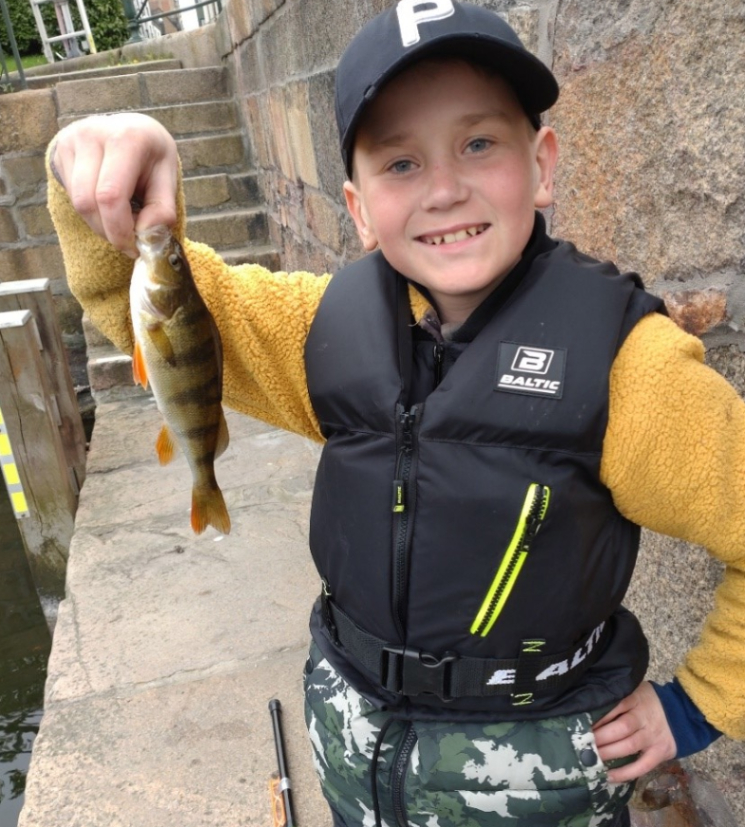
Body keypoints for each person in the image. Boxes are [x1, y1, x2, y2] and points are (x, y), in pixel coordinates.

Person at [47, 2, 744, 825]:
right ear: (356, 206)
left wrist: (697, 704)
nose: (445, 189)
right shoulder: (319, 333)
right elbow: (159, 309)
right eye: (399, 163)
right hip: (355, 757)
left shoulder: (634, 369)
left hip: (540, 782)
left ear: (543, 163)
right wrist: (92, 166)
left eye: (478, 143)